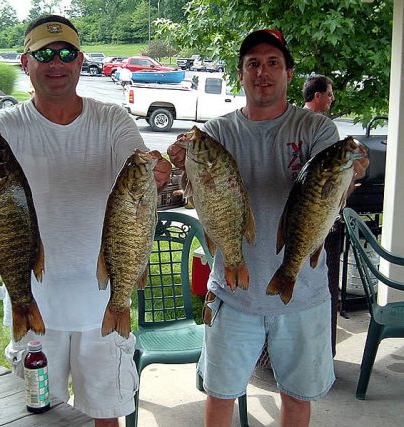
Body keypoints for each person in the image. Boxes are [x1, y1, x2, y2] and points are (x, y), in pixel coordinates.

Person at [0, 14, 172, 427]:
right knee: (39, 418)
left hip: (102, 302)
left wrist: (157, 170)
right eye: (44, 53)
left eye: (66, 53)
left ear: (80, 59)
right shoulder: (4, 126)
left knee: (106, 417)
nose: (56, 62)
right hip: (35, 302)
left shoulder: (112, 120)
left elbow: (141, 166)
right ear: (26, 62)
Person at [168, 29, 368, 427]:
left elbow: (326, 195)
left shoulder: (316, 130)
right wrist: (180, 162)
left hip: (304, 297)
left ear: (289, 74)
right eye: (252, 64)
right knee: (220, 394)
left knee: (296, 397)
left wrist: (352, 173)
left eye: (273, 63)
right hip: (232, 292)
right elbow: (194, 191)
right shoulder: (217, 133)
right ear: (241, 74)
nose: (263, 72)